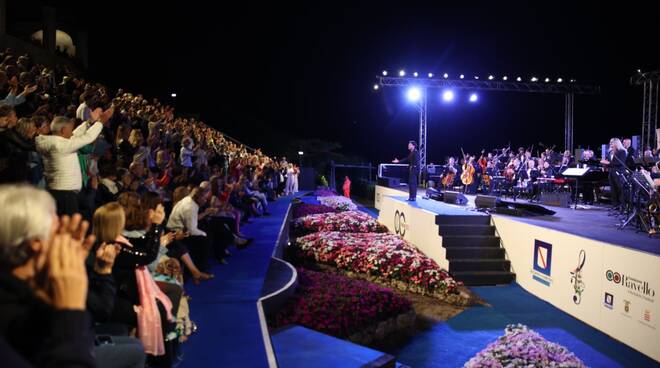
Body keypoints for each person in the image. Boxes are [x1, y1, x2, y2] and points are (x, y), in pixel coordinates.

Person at [0, 185, 96, 367]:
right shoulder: (10, 310)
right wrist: (70, 311)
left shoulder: (23, 290)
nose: (63, 237)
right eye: (57, 230)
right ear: (36, 242)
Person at [36, 109, 110, 215]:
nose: (72, 132)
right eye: (70, 129)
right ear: (62, 130)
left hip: (59, 192)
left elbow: (75, 135)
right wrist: (100, 122)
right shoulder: (61, 146)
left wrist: (88, 122)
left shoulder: (54, 142)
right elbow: (87, 138)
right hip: (65, 194)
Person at [601, 138, 628, 208]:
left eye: (612, 143)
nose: (610, 144)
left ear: (616, 143)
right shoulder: (610, 152)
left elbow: (618, 163)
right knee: (613, 190)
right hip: (611, 173)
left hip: (619, 173)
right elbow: (608, 161)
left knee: (620, 189)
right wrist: (605, 164)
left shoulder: (622, 151)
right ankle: (615, 205)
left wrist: (608, 163)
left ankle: (622, 206)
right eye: (610, 143)